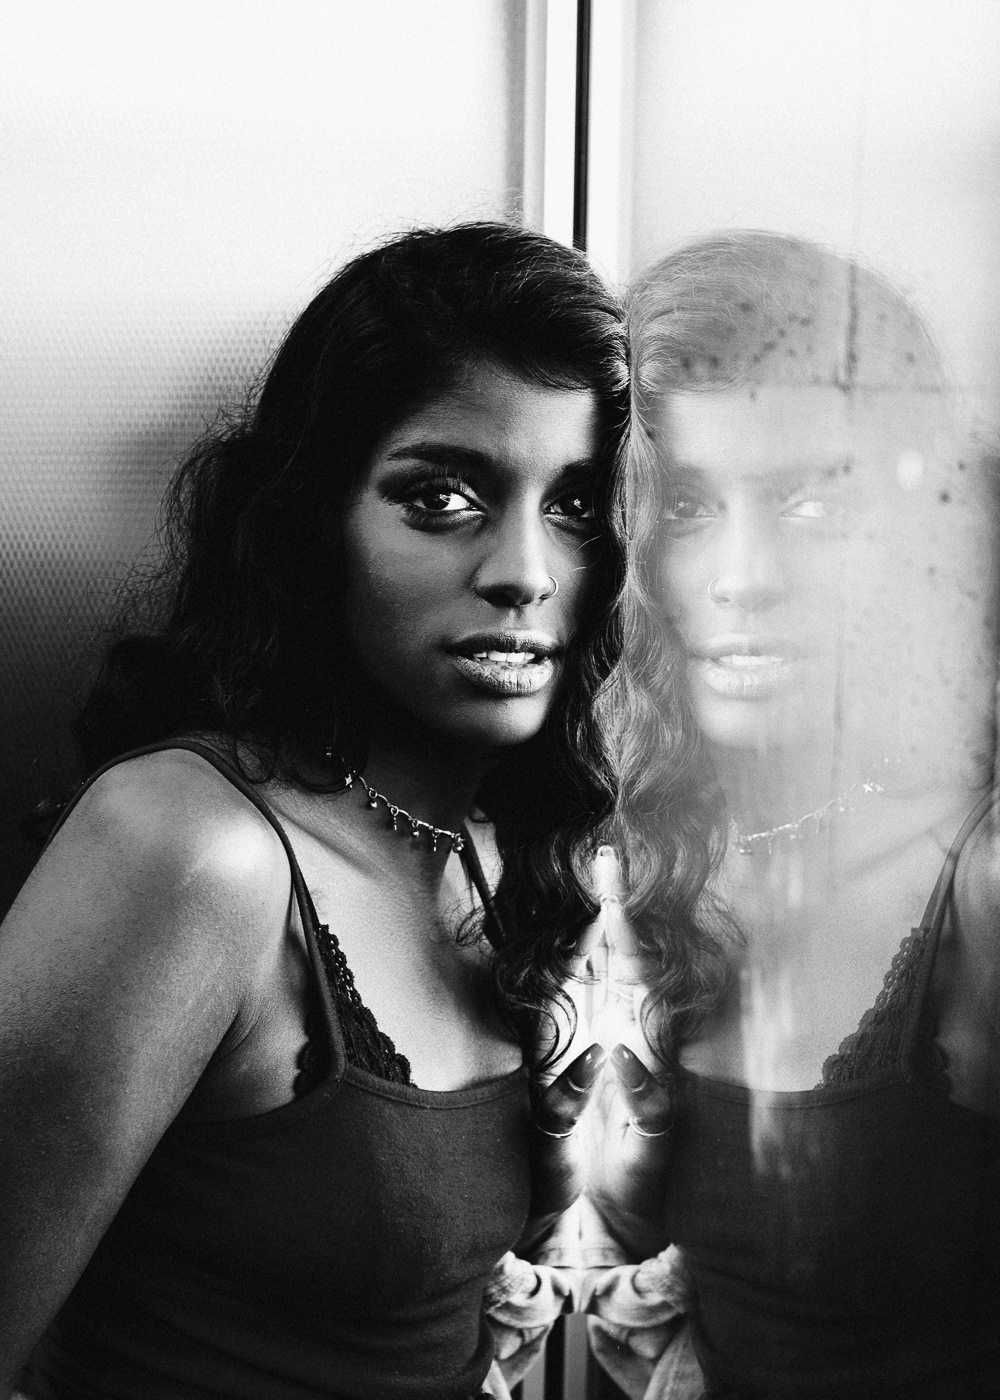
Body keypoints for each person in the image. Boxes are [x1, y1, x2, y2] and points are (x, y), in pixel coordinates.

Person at [0, 222, 631, 1400]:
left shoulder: (492, 858)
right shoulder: (193, 850)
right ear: (315, 516)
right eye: (441, 495)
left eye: (578, 504)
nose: (524, 571)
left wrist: (549, 1170)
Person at [587, 231, 1000, 1398]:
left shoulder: (974, 877)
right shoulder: (626, 849)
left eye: (809, 503)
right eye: (685, 504)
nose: (745, 573)